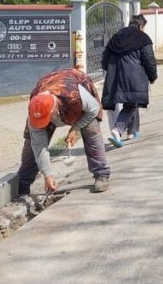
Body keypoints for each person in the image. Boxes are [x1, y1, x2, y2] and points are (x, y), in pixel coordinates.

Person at [18, 67, 110, 195]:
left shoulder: (75, 96)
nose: (44, 122)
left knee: (91, 130)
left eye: (47, 118)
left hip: (75, 87)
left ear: (55, 108)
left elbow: (94, 109)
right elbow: (39, 146)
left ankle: (101, 174)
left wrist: (75, 128)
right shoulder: (35, 107)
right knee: (31, 142)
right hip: (49, 86)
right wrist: (48, 175)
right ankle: (23, 184)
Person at [102, 14, 158, 147]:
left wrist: (111, 71)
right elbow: (149, 60)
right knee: (131, 104)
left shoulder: (116, 37)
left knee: (132, 100)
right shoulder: (143, 38)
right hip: (134, 77)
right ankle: (117, 130)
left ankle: (132, 131)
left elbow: (105, 59)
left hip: (115, 77)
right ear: (141, 25)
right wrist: (152, 76)